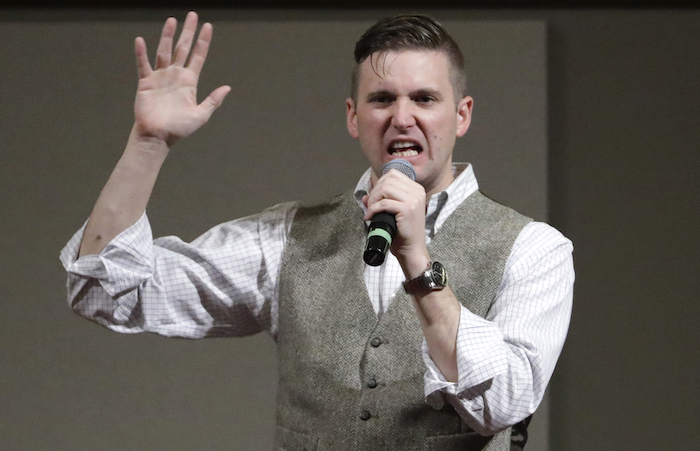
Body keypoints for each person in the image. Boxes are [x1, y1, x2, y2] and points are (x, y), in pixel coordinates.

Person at [60, 11, 573, 451]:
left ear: (461, 115)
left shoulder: (532, 249)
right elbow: (104, 290)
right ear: (353, 118)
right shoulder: (288, 239)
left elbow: (503, 403)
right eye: (381, 100)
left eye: (424, 98)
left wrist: (417, 261)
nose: (402, 118)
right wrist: (147, 145)